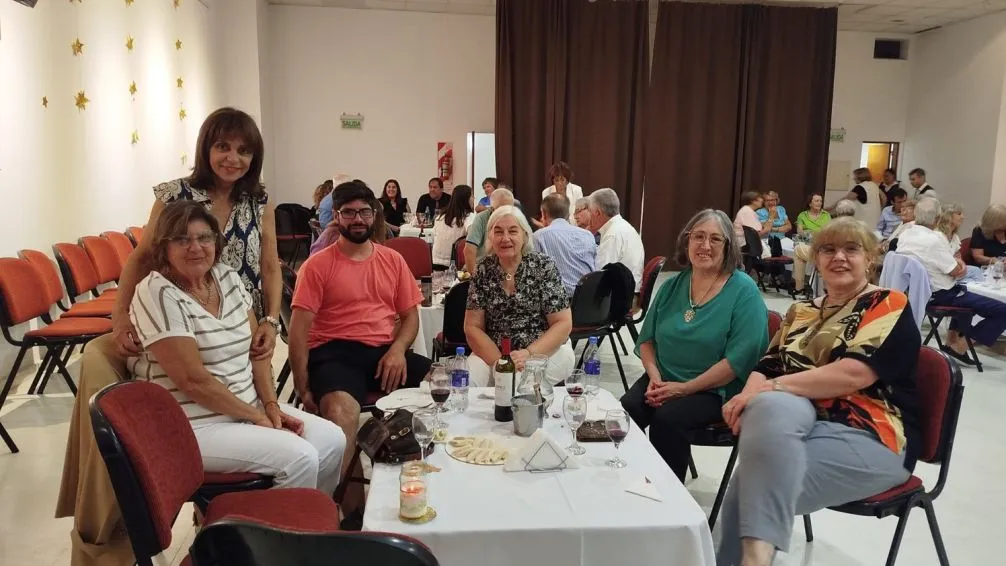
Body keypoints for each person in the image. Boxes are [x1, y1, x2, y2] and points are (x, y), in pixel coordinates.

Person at [716, 218, 921, 566]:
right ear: (816, 259)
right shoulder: (801, 310)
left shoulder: (887, 302)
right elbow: (768, 365)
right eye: (828, 249)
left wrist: (771, 388)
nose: (838, 257)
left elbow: (854, 373)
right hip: (798, 422)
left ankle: (752, 559)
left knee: (749, 488)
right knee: (768, 406)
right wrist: (746, 396)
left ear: (869, 258)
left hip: (869, 432)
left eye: (851, 249)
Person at [128, 200, 345, 492]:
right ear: (163, 246)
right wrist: (256, 417)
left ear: (216, 242)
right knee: (299, 457)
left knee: (332, 439)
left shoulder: (226, 277)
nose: (195, 247)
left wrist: (270, 406)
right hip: (192, 426)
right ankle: (274, 535)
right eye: (182, 239)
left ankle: (312, 524)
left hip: (245, 409)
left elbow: (257, 352)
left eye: (204, 237)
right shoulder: (156, 292)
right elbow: (192, 381)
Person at [289, 181, 432, 510]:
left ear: (375, 214)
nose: (358, 219)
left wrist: (397, 350)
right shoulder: (318, 266)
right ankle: (342, 509)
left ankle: (437, 480)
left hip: (383, 353)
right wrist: (302, 384)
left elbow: (410, 318)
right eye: (349, 212)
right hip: (334, 354)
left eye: (364, 212)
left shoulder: (392, 261)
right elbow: (299, 331)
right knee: (342, 414)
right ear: (336, 217)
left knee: (446, 387)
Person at [112, 107, 281, 363]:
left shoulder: (259, 201)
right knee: (196, 393)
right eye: (223, 147)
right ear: (206, 149)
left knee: (250, 392)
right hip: (181, 319)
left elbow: (270, 267)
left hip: (243, 324)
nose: (233, 158)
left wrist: (271, 321)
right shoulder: (173, 195)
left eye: (244, 151)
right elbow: (143, 257)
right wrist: (121, 314)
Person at [620, 209, 768, 482]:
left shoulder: (744, 291)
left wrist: (684, 389)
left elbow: (738, 361)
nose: (705, 245)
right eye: (698, 236)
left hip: (715, 390)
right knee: (623, 413)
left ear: (728, 247)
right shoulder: (674, 285)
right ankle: (630, 485)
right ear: (686, 242)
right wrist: (655, 378)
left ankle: (667, 504)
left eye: (715, 239)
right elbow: (648, 340)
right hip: (664, 379)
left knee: (667, 419)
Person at [464, 205, 574, 388]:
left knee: (519, 388)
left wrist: (529, 353)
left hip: (543, 351)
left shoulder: (543, 266)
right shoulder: (483, 269)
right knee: (464, 383)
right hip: (493, 353)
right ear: (490, 237)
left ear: (525, 235)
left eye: (513, 231)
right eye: (498, 232)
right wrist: (501, 363)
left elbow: (563, 323)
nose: (505, 238)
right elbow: (472, 327)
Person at [897, 198, 1006, 364]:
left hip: (919, 293)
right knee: (1002, 310)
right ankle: (959, 347)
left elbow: (956, 265)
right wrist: (959, 264)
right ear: (937, 218)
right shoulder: (933, 240)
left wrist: (958, 263)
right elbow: (957, 271)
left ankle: (950, 343)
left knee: (966, 293)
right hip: (940, 295)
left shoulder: (906, 234)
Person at [532, 194, 597, 296]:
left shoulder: (539, 237)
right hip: (589, 300)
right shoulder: (588, 235)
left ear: (543, 214)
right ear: (568, 214)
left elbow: (534, 275)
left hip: (558, 304)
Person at [792, 200, 855, 295]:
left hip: (827, 258)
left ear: (837, 213)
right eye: (817, 201)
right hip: (848, 260)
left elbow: (825, 244)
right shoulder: (859, 227)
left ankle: (799, 288)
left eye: (820, 201)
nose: (819, 203)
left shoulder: (834, 226)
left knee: (798, 249)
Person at [588, 188, 645, 292]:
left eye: (590, 211)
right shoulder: (623, 226)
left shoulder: (612, 234)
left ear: (597, 213)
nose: (589, 216)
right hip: (629, 289)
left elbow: (600, 274)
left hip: (622, 297)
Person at [464, 188, 515, 274]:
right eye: (501, 210)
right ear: (492, 208)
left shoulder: (515, 217)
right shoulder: (481, 218)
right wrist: (473, 277)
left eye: (509, 209)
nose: (506, 213)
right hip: (484, 269)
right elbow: (469, 249)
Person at [432, 184, 474, 269]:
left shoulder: (440, 216)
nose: (473, 199)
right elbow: (473, 239)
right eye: (472, 196)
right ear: (466, 199)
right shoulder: (468, 216)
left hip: (435, 262)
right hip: (456, 265)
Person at [535, 161, 583, 226]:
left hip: (574, 225)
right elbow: (546, 214)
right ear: (553, 180)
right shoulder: (546, 192)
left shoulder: (577, 190)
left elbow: (580, 212)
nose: (559, 183)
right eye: (556, 180)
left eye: (562, 180)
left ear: (567, 180)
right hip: (553, 226)